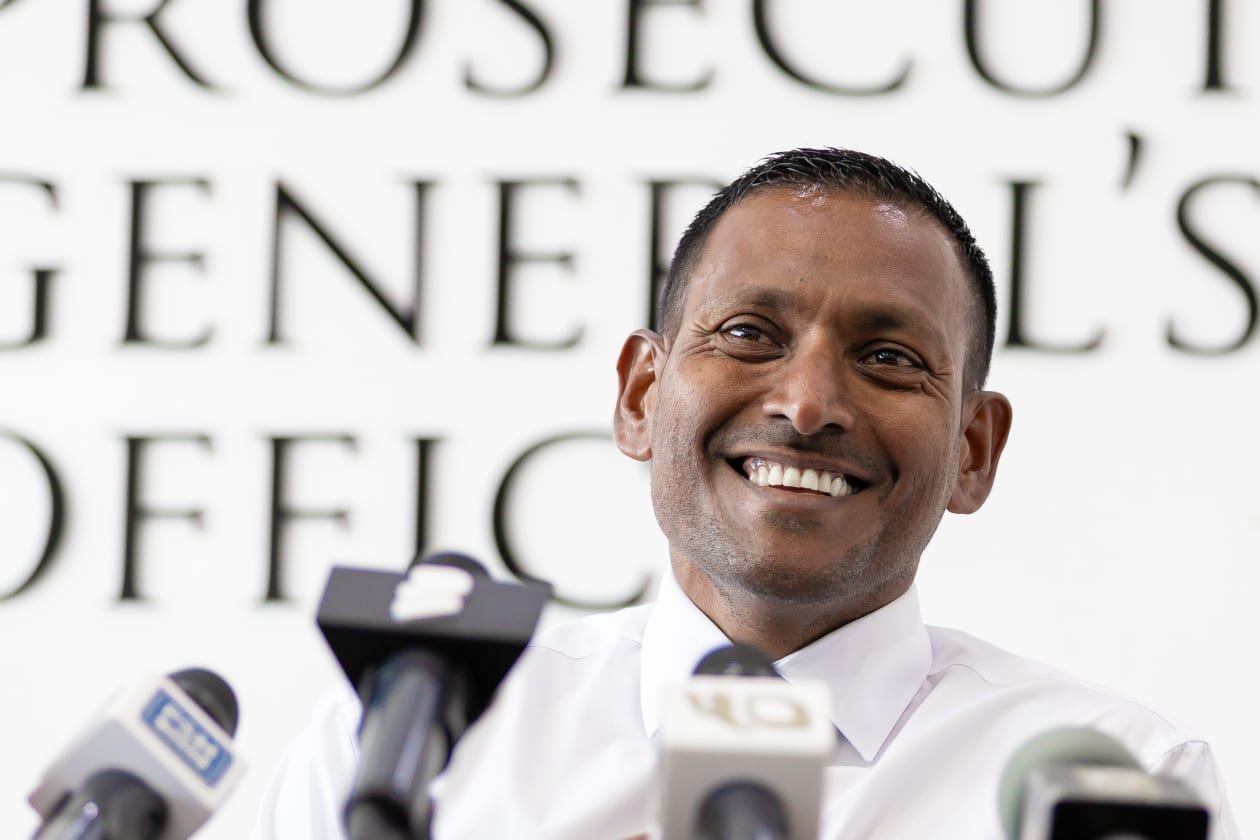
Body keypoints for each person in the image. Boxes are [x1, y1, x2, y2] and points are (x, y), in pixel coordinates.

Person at [254, 148, 1238, 839]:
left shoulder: (1118, 783)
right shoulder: (412, 741)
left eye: (888, 357)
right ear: (641, 397)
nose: (808, 404)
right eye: (749, 336)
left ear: (973, 451)